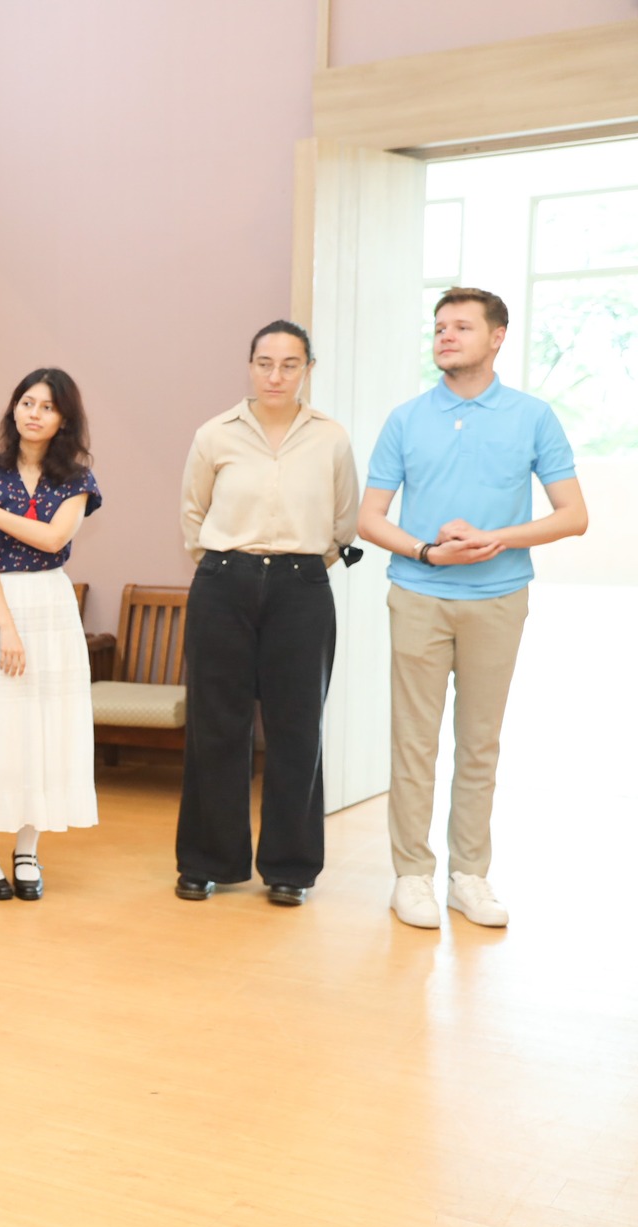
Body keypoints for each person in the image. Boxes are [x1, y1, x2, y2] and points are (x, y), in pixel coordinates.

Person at [357, 287, 587, 930]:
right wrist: (428, 552)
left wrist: (495, 539)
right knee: (413, 743)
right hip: (418, 595)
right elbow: (370, 518)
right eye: (439, 327)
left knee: (479, 744)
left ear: (497, 337)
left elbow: (574, 515)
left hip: (499, 599)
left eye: (461, 326)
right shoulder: (406, 419)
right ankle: (411, 876)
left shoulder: (533, 417)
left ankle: (469, 876)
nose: (446, 336)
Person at [175, 321, 358, 907]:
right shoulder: (215, 434)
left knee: (297, 729)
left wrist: (296, 568)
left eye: (289, 364)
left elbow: (344, 522)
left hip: (302, 587)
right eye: (264, 363)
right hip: (223, 583)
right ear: (250, 366)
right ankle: (208, 860)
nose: (275, 375)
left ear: (308, 369)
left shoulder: (331, 438)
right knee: (216, 727)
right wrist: (230, 565)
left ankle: (290, 867)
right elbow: (193, 514)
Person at [0, 368, 102, 899]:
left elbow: (54, 540)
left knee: (44, 726)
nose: (35, 413)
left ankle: (28, 849)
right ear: (14, 409)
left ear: (64, 420)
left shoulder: (77, 480)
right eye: (27, 402)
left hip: (52, 604)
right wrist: (7, 627)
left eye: (48, 407)